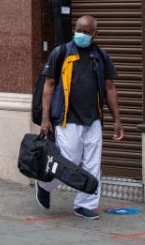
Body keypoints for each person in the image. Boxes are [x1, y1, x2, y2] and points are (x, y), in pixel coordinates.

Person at [36, 14, 124, 220]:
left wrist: (117, 119)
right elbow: (48, 86)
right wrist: (45, 118)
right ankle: (44, 184)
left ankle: (85, 205)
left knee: (93, 163)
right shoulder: (62, 52)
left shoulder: (100, 56)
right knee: (68, 161)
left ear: (95, 33)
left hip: (93, 119)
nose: (81, 34)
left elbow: (110, 88)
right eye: (79, 30)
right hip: (67, 119)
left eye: (86, 32)